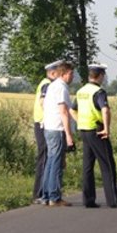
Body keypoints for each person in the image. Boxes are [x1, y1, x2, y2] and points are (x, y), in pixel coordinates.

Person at [73, 64, 117, 209]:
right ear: (100, 76)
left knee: (87, 166)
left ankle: (88, 199)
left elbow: (72, 110)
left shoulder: (81, 91)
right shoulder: (99, 91)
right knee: (107, 165)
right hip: (97, 130)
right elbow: (105, 110)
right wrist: (107, 129)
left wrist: (80, 121)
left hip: (84, 130)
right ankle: (113, 200)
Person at [41, 61, 76, 207]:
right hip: (57, 128)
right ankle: (55, 197)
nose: (72, 77)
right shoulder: (61, 88)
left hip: (49, 127)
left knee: (50, 162)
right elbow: (63, 112)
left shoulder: (52, 86)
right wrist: (68, 135)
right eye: (71, 74)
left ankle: (46, 195)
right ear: (64, 73)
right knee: (56, 163)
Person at [32, 59, 62, 203]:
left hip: (43, 123)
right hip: (44, 124)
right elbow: (43, 102)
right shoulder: (47, 85)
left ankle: (42, 192)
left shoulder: (45, 83)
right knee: (44, 159)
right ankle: (39, 193)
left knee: (46, 158)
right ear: (52, 72)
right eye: (58, 72)